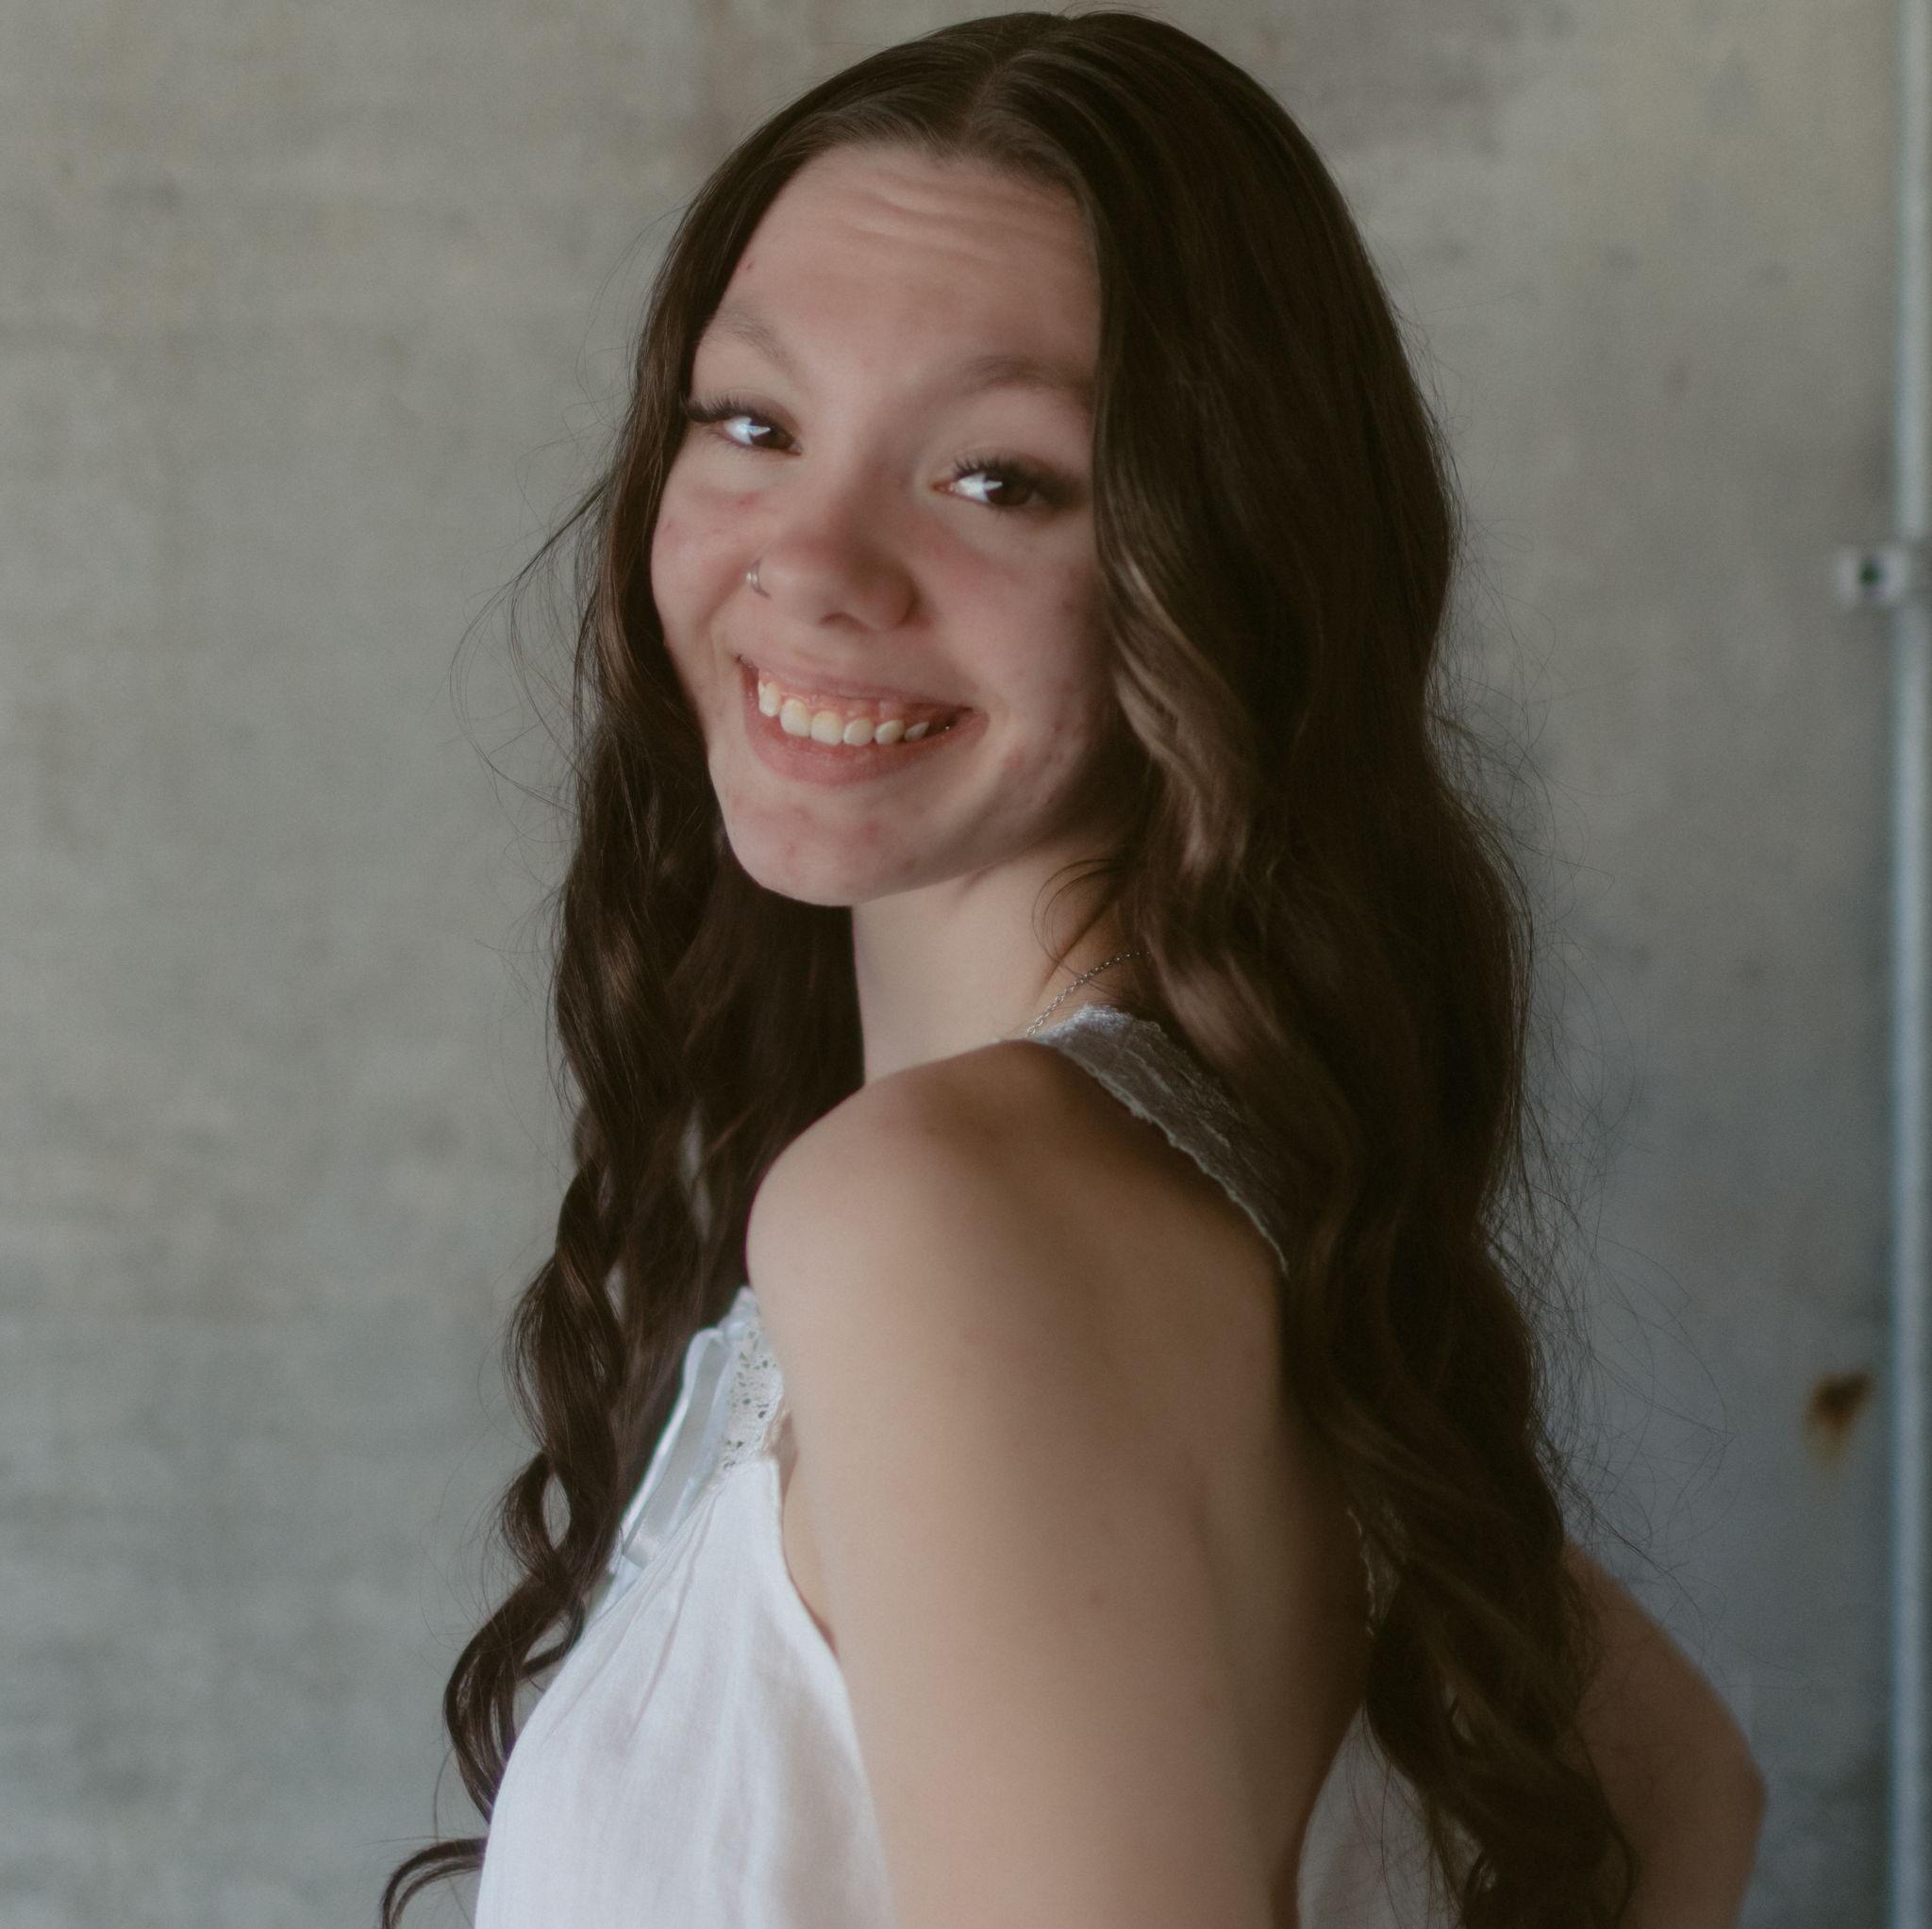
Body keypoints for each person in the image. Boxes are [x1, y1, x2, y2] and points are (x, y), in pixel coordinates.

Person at [382, 11, 1766, 1926]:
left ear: (1232, 557)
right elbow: (1676, 1787)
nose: (814, 561)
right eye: (753, 424)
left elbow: (1674, 1789)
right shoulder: (1215, 1205)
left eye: (1000, 479)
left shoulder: (940, 1219)